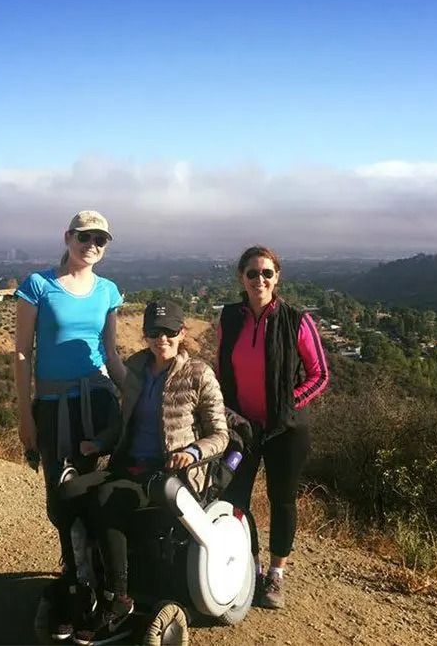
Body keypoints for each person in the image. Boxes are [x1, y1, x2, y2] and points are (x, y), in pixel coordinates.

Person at [63, 299, 229, 645]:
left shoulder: (198, 374)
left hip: (168, 473)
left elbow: (220, 434)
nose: (161, 339)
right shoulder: (136, 367)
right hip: (128, 462)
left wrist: (192, 451)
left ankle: (118, 598)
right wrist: (99, 443)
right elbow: (126, 423)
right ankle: (79, 583)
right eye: (154, 332)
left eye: (169, 332)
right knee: (68, 493)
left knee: (108, 498)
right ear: (145, 336)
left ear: (181, 333)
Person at [14, 210, 126, 642]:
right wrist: (25, 415)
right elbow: (23, 353)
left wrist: (137, 397)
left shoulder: (109, 291)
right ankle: (72, 577)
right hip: (52, 406)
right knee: (61, 502)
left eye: (101, 239)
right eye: (85, 236)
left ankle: (92, 585)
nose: (92, 244)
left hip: (97, 404)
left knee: (93, 496)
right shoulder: (37, 286)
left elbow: (111, 355)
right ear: (67, 237)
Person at [217, 245, 329, 610]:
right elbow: (221, 370)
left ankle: (276, 575)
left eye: (267, 273)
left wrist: (288, 404)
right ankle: (250, 566)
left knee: (282, 501)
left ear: (277, 277)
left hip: (286, 430)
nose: (260, 279)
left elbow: (320, 374)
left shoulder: (296, 319)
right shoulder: (229, 317)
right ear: (241, 278)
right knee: (234, 500)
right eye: (252, 273)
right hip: (243, 428)